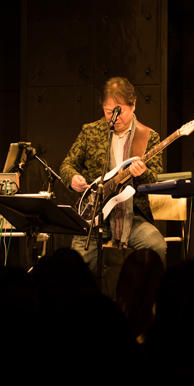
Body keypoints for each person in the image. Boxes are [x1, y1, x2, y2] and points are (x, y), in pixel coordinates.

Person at [60, 77, 166, 270]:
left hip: (132, 216)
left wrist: (142, 173)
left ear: (133, 105)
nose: (114, 118)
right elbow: (67, 164)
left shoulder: (149, 137)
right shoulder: (90, 132)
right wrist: (73, 178)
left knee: (156, 246)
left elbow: (156, 180)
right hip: (94, 215)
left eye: (119, 112)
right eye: (109, 112)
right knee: (75, 264)